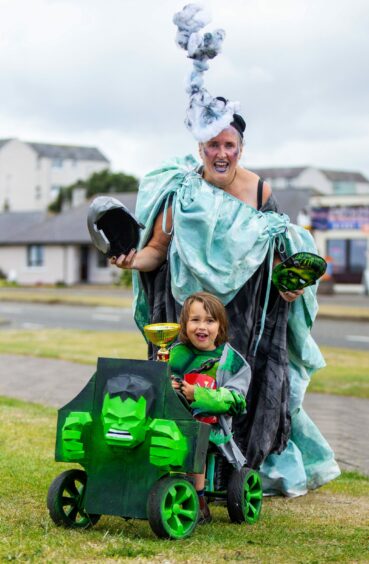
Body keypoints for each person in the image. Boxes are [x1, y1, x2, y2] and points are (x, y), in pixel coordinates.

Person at [110, 4, 340, 497]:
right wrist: (133, 260)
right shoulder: (182, 192)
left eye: (230, 144)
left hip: (242, 318)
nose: (221, 153)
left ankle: (239, 470)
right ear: (199, 148)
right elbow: (156, 250)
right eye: (212, 144)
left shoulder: (259, 193)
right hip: (186, 311)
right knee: (178, 384)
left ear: (241, 147)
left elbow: (282, 260)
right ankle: (170, 461)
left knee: (239, 390)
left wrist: (292, 285)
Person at [168, 291, 251, 523]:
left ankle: (198, 498)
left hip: (211, 427)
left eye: (209, 320)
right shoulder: (176, 353)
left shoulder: (232, 362)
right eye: (195, 320)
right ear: (184, 325)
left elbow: (236, 400)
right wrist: (166, 382)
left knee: (196, 435)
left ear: (220, 326)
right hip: (172, 418)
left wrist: (199, 395)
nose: (201, 326)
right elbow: (155, 379)